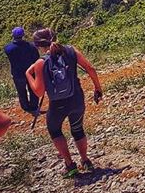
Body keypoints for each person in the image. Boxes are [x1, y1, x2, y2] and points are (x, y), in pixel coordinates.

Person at [25, 29, 104, 178]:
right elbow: (90, 68)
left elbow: (39, 92)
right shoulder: (70, 50)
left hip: (57, 104)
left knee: (55, 130)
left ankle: (70, 165)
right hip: (76, 98)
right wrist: (98, 89)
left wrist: (28, 74)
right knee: (77, 128)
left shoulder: (40, 63)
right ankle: (85, 160)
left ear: (38, 46)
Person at [3, 27, 40, 115]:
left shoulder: (8, 48)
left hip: (18, 74)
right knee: (33, 90)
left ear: (13, 35)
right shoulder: (32, 46)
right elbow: (37, 58)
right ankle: (34, 107)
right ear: (23, 35)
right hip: (31, 73)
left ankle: (25, 107)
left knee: (21, 91)